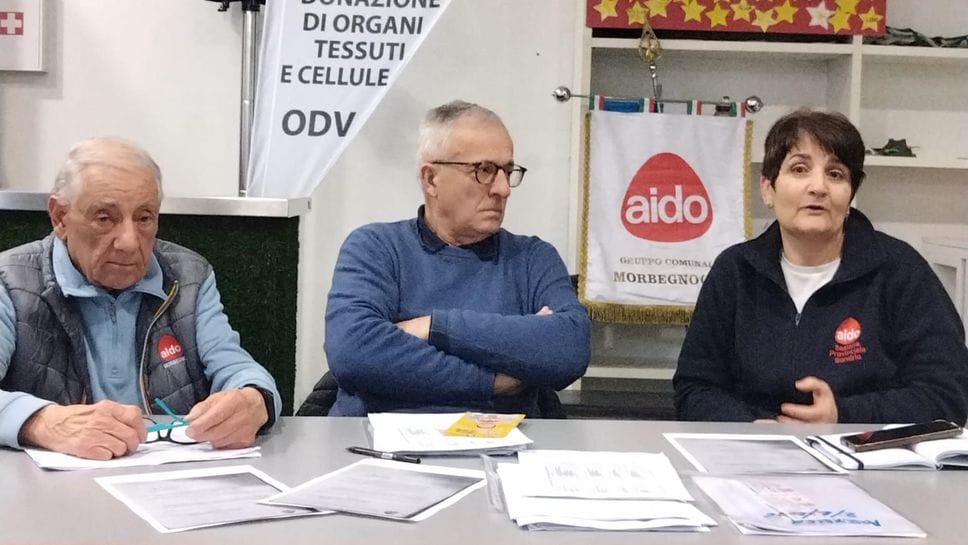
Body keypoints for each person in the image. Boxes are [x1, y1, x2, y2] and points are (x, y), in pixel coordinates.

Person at [674, 109, 968, 424]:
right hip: (752, 447)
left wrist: (841, 415)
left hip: (862, 448)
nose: (818, 187)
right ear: (768, 189)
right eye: (799, 169)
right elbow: (695, 387)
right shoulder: (735, 271)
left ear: (851, 193)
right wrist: (751, 428)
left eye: (836, 174)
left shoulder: (900, 270)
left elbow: (947, 394)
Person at [0, 137, 281, 460]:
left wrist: (254, 399)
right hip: (48, 484)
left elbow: (235, 365)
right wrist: (40, 422)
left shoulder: (189, 276)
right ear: (60, 217)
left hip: (170, 476)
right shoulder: (11, 281)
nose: (129, 243)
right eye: (105, 218)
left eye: (144, 218)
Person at [323, 100, 590, 416]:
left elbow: (569, 349)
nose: (503, 189)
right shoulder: (375, 247)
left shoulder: (532, 258)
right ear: (431, 179)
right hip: (375, 442)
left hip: (502, 444)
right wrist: (492, 381)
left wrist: (433, 327)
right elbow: (354, 352)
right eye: (484, 170)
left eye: (508, 171)